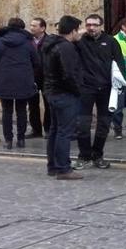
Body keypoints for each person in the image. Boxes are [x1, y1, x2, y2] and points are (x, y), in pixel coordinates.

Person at [74, 14, 124, 170]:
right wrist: (79, 35)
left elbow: (120, 63)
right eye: (88, 24)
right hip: (85, 88)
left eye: (95, 25)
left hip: (106, 88)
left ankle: (98, 155)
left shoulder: (111, 42)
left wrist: (119, 86)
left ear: (101, 26)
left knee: (103, 124)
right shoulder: (80, 41)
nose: (91, 27)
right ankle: (84, 156)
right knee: (82, 124)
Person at [0, 18, 40, 150]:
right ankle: (21, 139)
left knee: (7, 111)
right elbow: (37, 62)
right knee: (22, 110)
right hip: (24, 80)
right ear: (22, 28)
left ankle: (8, 141)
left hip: (4, 80)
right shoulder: (28, 42)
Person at [42, 15, 84, 180]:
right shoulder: (66, 47)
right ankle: (63, 168)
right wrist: (78, 90)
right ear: (73, 31)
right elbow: (69, 74)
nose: (79, 33)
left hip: (52, 92)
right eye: (77, 30)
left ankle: (53, 166)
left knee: (55, 130)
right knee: (64, 132)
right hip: (64, 94)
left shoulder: (50, 44)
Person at [27, 17, 51, 139]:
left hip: (47, 77)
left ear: (42, 28)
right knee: (32, 104)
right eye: (31, 25)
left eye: (34, 26)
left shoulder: (49, 41)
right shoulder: (28, 41)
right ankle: (35, 129)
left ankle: (48, 128)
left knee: (49, 104)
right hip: (32, 77)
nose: (31, 28)